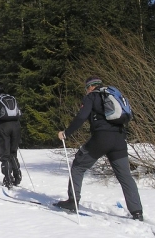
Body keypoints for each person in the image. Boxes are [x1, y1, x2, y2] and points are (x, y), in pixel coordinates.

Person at [56, 76, 144, 221]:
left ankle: (72, 202)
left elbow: (81, 117)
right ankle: (137, 212)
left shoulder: (92, 96)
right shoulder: (112, 94)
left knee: (78, 165)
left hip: (102, 138)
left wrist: (66, 133)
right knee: (125, 176)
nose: (86, 91)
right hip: (120, 139)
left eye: (86, 88)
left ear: (90, 87)